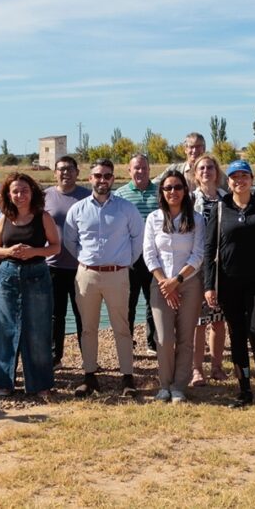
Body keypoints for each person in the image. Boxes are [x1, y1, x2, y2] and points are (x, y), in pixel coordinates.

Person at [203, 160, 255, 413]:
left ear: (252, 179)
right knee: (237, 335)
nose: (240, 181)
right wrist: (209, 285)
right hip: (228, 282)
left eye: (244, 176)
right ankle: (244, 389)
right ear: (228, 182)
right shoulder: (220, 208)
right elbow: (208, 250)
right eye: (235, 177)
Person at [63, 158, 144, 397]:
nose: (102, 180)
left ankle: (127, 378)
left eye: (107, 176)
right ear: (90, 179)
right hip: (86, 275)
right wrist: (86, 260)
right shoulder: (77, 209)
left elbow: (137, 239)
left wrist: (124, 262)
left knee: (122, 327)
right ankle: (90, 376)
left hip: (117, 275)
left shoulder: (126, 208)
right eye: (98, 175)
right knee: (88, 328)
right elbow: (70, 240)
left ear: (113, 178)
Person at [0, 173, 60, 397]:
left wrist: (34, 252)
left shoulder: (43, 217)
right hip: (8, 276)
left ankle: (40, 385)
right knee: (4, 330)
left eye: (24, 191)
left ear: (32, 193)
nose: (20, 195)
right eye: (15, 191)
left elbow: (55, 247)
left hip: (37, 275)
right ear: (8, 195)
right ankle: (3, 383)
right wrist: (8, 252)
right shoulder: (4, 218)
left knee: (38, 330)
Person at [143, 170, 206, 403]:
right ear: (162, 192)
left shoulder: (197, 220)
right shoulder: (153, 219)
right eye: (168, 188)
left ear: (185, 191)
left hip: (189, 284)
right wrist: (164, 283)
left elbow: (198, 254)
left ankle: (179, 385)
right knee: (164, 338)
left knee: (186, 337)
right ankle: (164, 385)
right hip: (160, 284)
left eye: (177, 187)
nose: (173, 192)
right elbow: (149, 255)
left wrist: (176, 281)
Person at [44, 155, 90, 368]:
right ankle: (55, 356)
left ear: (77, 172)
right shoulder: (45, 197)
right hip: (53, 266)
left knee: (83, 314)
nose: (65, 173)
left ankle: (88, 357)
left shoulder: (87, 196)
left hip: (81, 266)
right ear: (55, 173)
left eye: (70, 169)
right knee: (56, 315)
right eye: (61, 169)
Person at [115, 153, 159, 356]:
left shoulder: (160, 192)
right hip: (129, 258)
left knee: (154, 301)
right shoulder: (121, 195)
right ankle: (127, 343)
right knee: (128, 303)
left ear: (149, 170)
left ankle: (153, 343)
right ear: (129, 170)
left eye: (144, 168)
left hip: (155, 258)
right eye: (136, 168)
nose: (140, 171)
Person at [190, 153, 228, 386]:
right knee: (198, 322)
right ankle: (196, 370)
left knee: (219, 319)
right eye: (202, 168)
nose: (206, 171)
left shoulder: (228, 198)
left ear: (217, 172)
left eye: (210, 167)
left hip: (223, 268)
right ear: (196, 174)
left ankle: (216, 367)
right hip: (198, 268)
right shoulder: (190, 200)